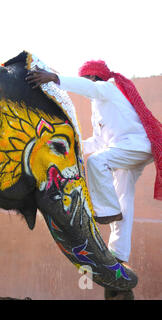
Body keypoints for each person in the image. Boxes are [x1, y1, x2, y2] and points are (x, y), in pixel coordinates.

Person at [25, 60, 161, 266]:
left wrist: (54, 77)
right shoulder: (98, 106)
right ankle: (119, 253)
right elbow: (98, 141)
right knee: (123, 198)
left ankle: (106, 210)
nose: (83, 83)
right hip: (127, 150)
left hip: (136, 146)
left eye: (84, 79)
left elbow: (89, 88)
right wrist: (72, 145)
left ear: (93, 77)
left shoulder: (107, 88)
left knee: (98, 162)